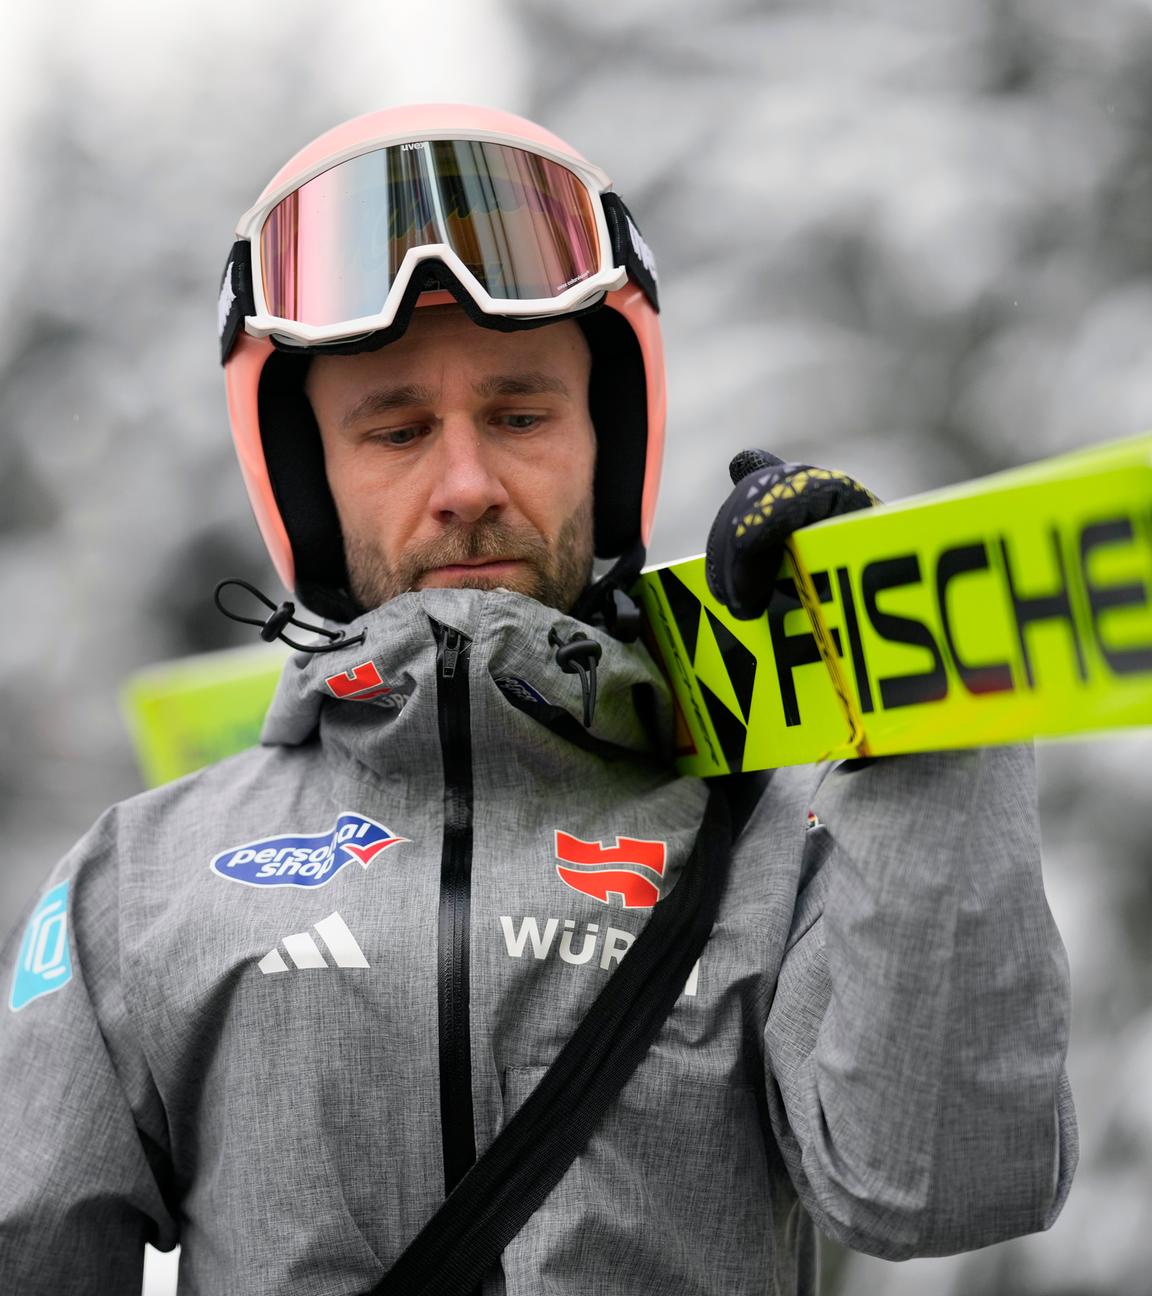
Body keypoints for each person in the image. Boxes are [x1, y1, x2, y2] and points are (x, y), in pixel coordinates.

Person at [0, 103, 1076, 1295]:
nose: (466, 483)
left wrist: (910, 695)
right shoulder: (137, 881)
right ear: (309, 485)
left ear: (604, 444)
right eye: (397, 430)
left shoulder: (772, 837)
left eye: (520, 415)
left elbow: (942, 1185)